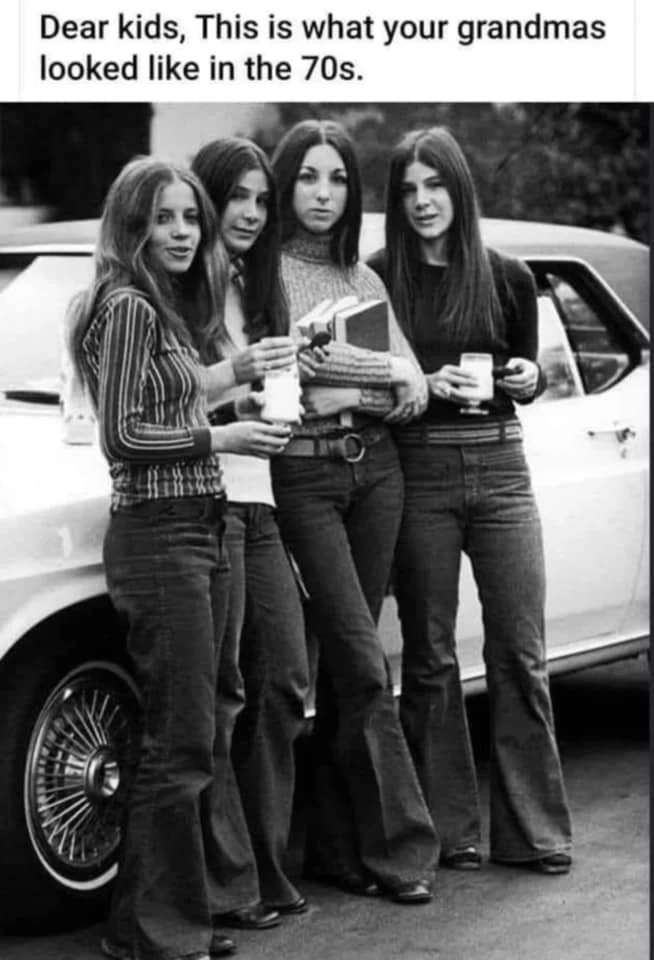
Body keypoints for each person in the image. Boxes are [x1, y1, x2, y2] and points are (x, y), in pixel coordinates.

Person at [67, 155, 293, 960]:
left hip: (198, 523)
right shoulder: (128, 304)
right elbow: (123, 437)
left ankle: (169, 921)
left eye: (190, 217)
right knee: (181, 738)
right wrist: (224, 437)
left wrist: (234, 385)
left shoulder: (158, 305)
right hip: (161, 534)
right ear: (132, 225)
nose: (182, 232)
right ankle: (150, 932)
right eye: (163, 218)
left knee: (188, 735)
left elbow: (166, 402)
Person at [368, 126, 572, 875]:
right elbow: (369, 386)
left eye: (435, 185)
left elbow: (529, 373)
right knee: (428, 656)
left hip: (502, 465)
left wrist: (529, 378)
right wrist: (422, 386)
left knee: (520, 650)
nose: (423, 202)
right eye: (409, 190)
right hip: (419, 467)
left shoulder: (508, 276)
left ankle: (536, 833)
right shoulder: (378, 278)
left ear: (459, 188)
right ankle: (450, 831)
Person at [269, 119, 438, 904]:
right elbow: (291, 372)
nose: (324, 193)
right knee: (365, 662)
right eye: (309, 176)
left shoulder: (364, 279)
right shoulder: (264, 273)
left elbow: (415, 391)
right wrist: (383, 373)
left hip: (379, 475)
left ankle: (337, 851)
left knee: (349, 670)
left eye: (337, 178)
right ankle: (403, 852)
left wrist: (367, 381)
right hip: (305, 480)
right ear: (286, 183)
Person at [191, 137, 310, 917]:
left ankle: (263, 863)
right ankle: (225, 882)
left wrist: (284, 395)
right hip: (208, 498)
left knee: (286, 679)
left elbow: (279, 393)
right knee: (221, 696)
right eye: (236, 196)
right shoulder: (178, 288)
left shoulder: (259, 289)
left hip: (260, 500)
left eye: (262, 200)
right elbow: (159, 400)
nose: (252, 213)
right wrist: (235, 394)